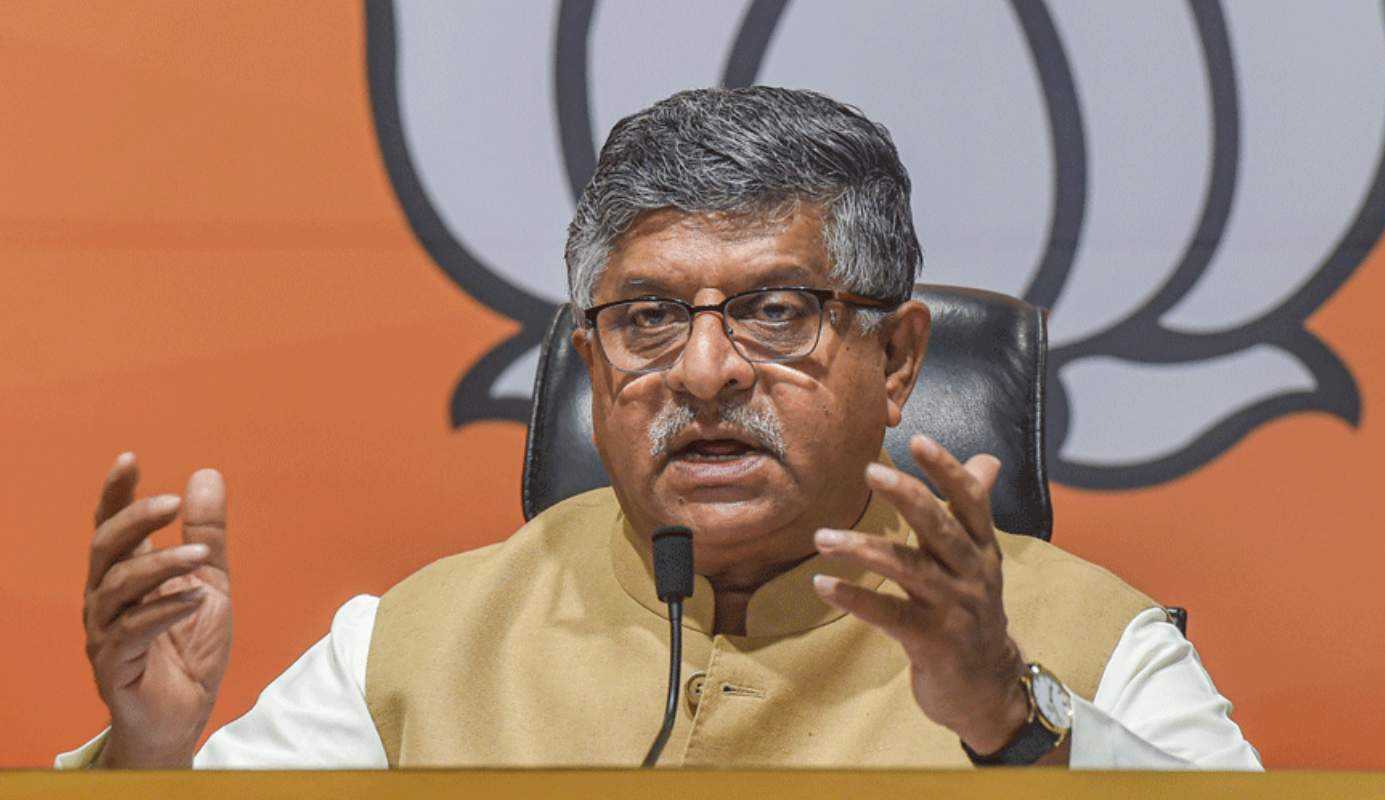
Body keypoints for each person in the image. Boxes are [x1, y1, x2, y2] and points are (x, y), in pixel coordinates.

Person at [60, 87, 1259, 770]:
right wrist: (149, 756)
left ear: (896, 361)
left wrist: (1008, 715)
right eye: (644, 317)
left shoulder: (1094, 645)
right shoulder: (413, 647)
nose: (703, 369)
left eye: (776, 310)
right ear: (590, 363)